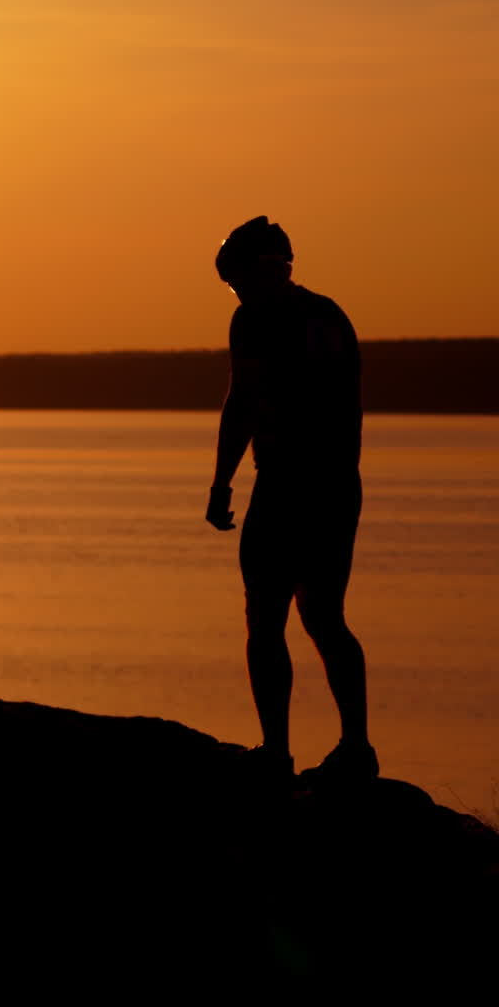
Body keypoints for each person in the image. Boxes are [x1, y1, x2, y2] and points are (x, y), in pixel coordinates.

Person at [206, 216, 378, 787]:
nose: (237, 293)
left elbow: (243, 402)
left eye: (238, 281)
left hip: (296, 486)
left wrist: (221, 484)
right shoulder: (325, 314)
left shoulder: (267, 319)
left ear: (266, 269)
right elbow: (248, 401)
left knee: (278, 617)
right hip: (328, 486)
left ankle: (294, 753)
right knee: (315, 618)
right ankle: (341, 748)